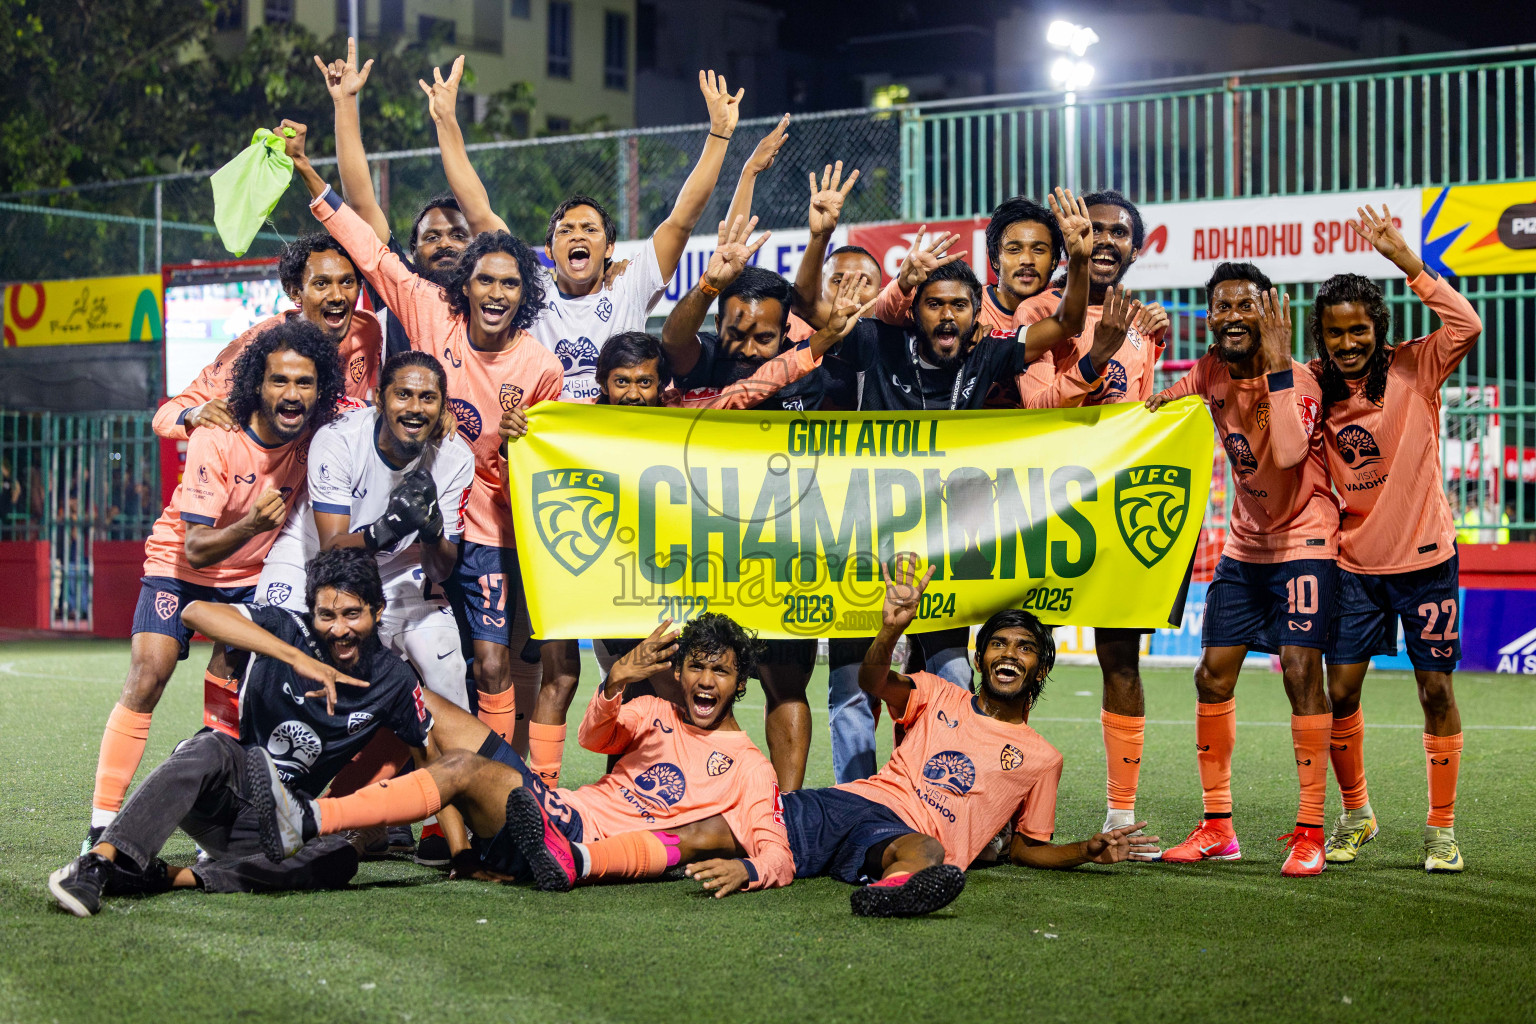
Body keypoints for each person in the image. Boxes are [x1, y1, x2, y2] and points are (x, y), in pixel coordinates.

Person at [524, 251, 875, 792]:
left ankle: (785, 812)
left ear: (661, 386)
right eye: (622, 382)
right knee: (644, 688)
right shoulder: (577, 430)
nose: (634, 392)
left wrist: (818, 346)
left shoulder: (687, 416)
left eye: (644, 383)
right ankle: (627, 800)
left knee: (784, 684)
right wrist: (521, 430)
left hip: (762, 561)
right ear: (601, 385)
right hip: (648, 577)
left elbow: (751, 389)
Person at [289, 118, 565, 756]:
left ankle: (499, 798)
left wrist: (527, 436)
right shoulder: (428, 310)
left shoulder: (540, 366)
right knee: (417, 661)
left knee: (494, 667)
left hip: (492, 529)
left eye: (510, 284)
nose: (496, 293)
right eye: (486, 280)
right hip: (412, 537)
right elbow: (371, 247)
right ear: (464, 284)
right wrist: (309, 173)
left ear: (523, 295)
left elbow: (552, 460)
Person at [803, 211, 1089, 784]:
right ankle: (858, 800)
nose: (947, 314)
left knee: (954, 682)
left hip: (946, 554)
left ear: (974, 315)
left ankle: (942, 793)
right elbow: (815, 317)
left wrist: (1078, 261)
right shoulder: (880, 342)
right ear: (914, 310)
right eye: (935, 303)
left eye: (959, 304)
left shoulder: (988, 354)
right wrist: (819, 239)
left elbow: (1065, 323)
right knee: (849, 690)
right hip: (865, 544)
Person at [254, 614, 795, 897]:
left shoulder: (749, 765)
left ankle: (310, 818)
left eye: (720, 671)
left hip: (569, 843)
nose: (705, 682)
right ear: (677, 673)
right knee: (423, 703)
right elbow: (593, 740)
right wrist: (613, 683)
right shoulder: (654, 707)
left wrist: (747, 870)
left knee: (464, 768)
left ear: (739, 682)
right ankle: (462, 852)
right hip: (552, 808)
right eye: (695, 668)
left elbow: (778, 854)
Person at [749, 555, 1158, 917]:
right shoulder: (937, 691)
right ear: (979, 659)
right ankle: (682, 851)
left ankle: (889, 893)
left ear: (1041, 669)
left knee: (928, 854)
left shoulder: (1042, 758)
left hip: (903, 836)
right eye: (998, 644)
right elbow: (872, 680)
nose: (1010, 654)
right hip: (856, 800)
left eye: (1025, 648)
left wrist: (1083, 851)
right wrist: (891, 630)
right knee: (753, 814)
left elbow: (1025, 848)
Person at [48, 549, 435, 916]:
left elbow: (430, 764)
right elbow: (197, 612)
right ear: (311, 611)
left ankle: (164, 878)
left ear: (378, 610)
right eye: (326, 616)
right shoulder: (288, 629)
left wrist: (461, 848)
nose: (339, 630)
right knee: (209, 747)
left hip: (274, 822)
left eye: (353, 614)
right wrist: (297, 658)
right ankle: (97, 864)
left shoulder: (394, 681)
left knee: (339, 855)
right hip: (215, 787)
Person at [85, 319, 345, 850]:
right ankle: (100, 825)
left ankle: (214, 825)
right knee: (148, 674)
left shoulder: (320, 430)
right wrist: (252, 524)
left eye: (304, 383)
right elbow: (196, 547)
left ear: (320, 391)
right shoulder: (217, 435)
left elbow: (382, 419)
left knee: (234, 701)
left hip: (250, 580)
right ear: (258, 384)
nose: (291, 394)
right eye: (279, 382)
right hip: (179, 569)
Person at [1146, 263, 1337, 876]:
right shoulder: (1209, 371)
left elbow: (1285, 452)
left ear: (1269, 313)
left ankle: (1311, 831)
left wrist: (1278, 366)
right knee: (1211, 676)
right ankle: (1217, 826)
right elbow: (1156, 408)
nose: (1231, 317)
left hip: (1306, 540)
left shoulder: (1300, 379)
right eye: (1220, 307)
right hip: (1245, 547)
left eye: (1243, 306)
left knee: (1301, 673)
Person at [1309, 205, 1484, 873]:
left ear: (1378, 328)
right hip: (1354, 567)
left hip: (1427, 563)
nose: (1346, 343)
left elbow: (1467, 323)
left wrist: (1410, 265)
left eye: (1357, 330)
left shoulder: (1419, 366)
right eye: (1333, 333)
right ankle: (1357, 813)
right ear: (1321, 336)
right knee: (1341, 692)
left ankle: (1441, 829)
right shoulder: (1316, 388)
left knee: (1435, 690)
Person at [254, 350, 474, 862]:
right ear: (380, 399)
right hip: (312, 558)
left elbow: (443, 569)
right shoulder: (339, 437)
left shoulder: (454, 456)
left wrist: (435, 529)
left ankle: (443, 826)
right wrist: (389, 527)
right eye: (403, 394)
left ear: (442, 407)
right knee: (270, 650)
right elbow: (333, 548)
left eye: (428, 397)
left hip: (398, 573)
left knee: (446, 673)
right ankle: (255, 794)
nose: (414, 407)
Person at [425, 58, 746, 402]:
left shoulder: (628, 287)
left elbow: (682, 219)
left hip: (616, 441)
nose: (577, 235)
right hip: (552, 447)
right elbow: (476, 210)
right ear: (548, 251)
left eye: (590, 229)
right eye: (565, 231)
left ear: (609, 247)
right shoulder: (531, 286)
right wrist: (445, 121)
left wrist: (720, 134)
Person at [313, 38, 473, 360]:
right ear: (412, 252)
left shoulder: (493, 296)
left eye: (458, 235)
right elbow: (360, 205)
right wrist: (345, 103)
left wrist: (446, 121)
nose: (445, 244)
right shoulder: (398, 286)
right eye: (432, 236)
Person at [152, 233, 379, 441]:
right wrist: (194, 413)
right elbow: (165, 416)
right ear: (294, 291)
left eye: (347, 282)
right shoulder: (258, 347)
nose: (337, 295)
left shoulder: (368, 329)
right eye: (321, 283)